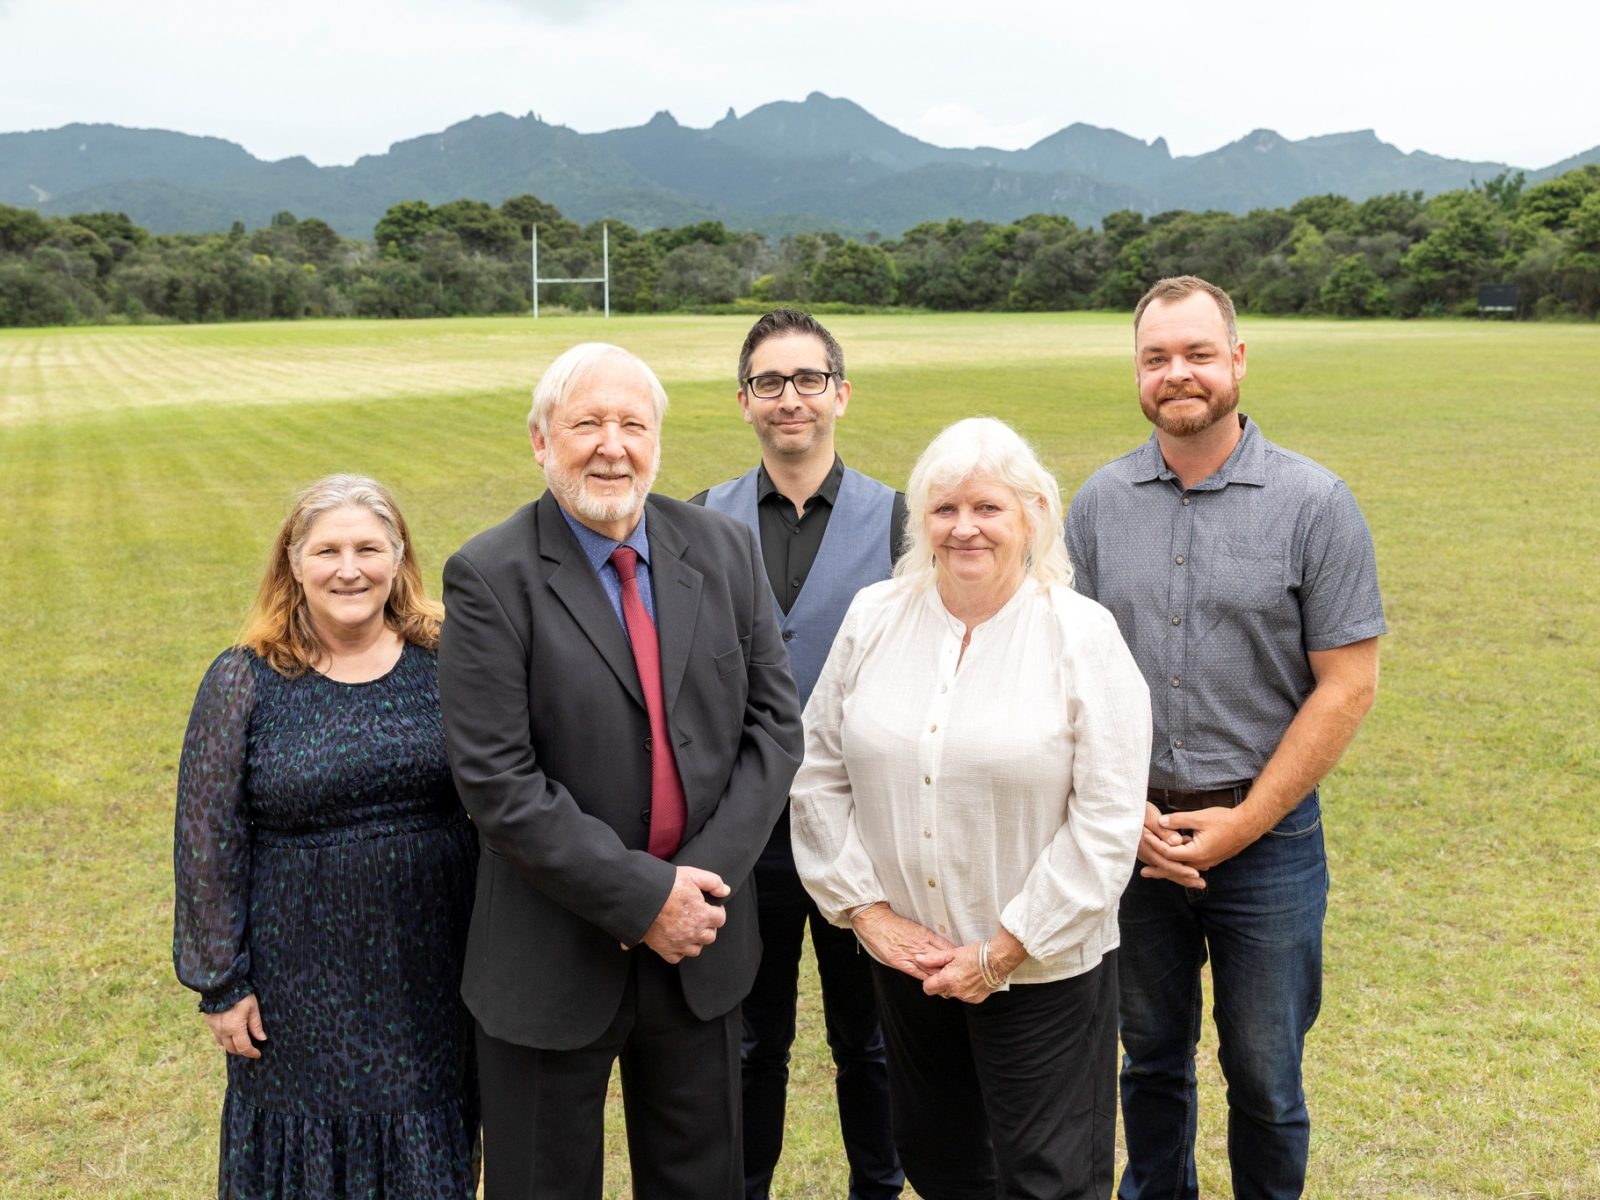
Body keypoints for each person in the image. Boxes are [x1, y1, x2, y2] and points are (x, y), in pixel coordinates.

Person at [436, 342, 804, 1200]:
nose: (612, 445)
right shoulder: (490, 577)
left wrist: (693, 889)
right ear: (540, 442)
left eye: (633, 424)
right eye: (586, 424)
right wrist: (645, 900)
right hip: (551, 953)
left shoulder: (722, 550)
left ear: (658, 442)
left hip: (699, 949)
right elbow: (497, 780)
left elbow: (775, 729)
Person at [1065, 275, 1385, 1200]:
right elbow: (1070, 680)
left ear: (1237, 361)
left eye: (1199, 353)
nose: (1179, 375)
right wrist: (1120, 817)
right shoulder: (1098, 503)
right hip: (1132, 842)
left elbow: (1348, 684)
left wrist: (1243, 822)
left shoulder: (1315, 503)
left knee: (1266, 1081)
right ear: (1137, 371)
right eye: (1158, 358)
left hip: (1268, 842)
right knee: (1149, 1064)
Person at [791, 417, 1152, 1200]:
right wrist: (871, 917)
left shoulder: (1081, 635)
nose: (964, 528)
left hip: (1042, 971)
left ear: (1033, 515)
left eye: (988, 508)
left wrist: (1003, 951)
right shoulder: (873, 617)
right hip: (910, 967)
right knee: (942, 1163)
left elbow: (1108, 819)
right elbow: (818, 775)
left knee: (1048, 1181)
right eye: (944, 508)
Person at [173, 474, 479, 1199]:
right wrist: (222, 982)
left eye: (369, 548)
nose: (350, 569)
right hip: (298, 978)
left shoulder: (448, 660)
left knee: (427, 1139)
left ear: (399, 557)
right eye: (328, 550)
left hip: (432, 961)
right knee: (305, 1152)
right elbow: (206, 837)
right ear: (293, 564)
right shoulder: (245, 679)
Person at [692, 309, 905, 1200]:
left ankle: (878, 1185)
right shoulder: (701, 518)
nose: (791, 399)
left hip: (865, 828)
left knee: (873, 1038)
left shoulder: (898, 520)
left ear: (840, 395)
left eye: (808, 379)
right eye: (771, 383)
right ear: (744, 402)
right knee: (750, 1038)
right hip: (745, 830)